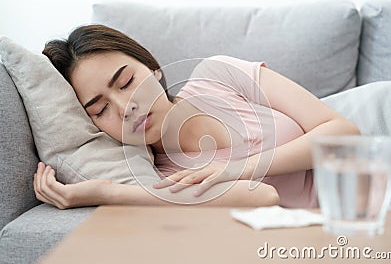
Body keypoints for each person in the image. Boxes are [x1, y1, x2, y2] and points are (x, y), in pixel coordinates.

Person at [34, 24, 360, 209]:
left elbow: (343, 132)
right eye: (101, 110)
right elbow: (263, 196)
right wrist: (106, 192)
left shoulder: (219, 74)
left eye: (126, 82)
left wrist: (234, 167)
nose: (125, 107)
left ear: (153, 68)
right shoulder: (155, 173)